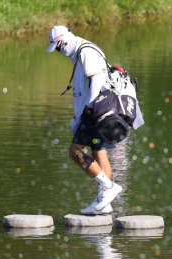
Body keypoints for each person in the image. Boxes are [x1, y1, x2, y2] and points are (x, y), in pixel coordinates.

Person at [47, 26, 121, 215]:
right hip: (97, 111)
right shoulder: (81, 52)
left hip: (95, 112)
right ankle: (104, 202)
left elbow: (96, 79)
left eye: (57, 47)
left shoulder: (85, 51)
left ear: (63, 42)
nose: (59, 51)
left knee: (75, 153)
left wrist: (88, 109)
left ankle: (108, 187)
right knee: (99, 152)